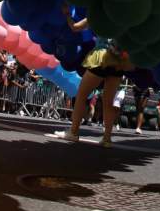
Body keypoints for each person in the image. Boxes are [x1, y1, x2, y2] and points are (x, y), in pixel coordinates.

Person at [56, 19, 133, 147]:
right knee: (108, 102)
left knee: (81, 95)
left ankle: (73, 132)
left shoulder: (98, 11)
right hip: (120, 61)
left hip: (102, 57)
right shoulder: (124, 14)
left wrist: (67, 15)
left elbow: (75, 27)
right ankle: (107, 139)